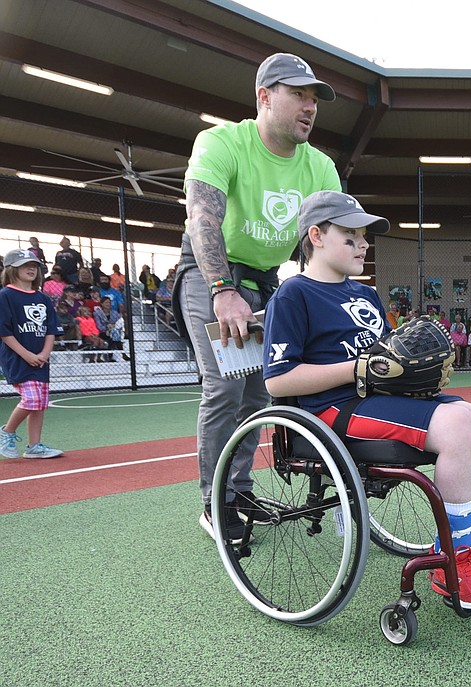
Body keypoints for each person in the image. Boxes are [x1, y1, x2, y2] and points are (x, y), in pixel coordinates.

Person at [262, 191, 471, 609]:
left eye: (364, 237)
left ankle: (458, 546)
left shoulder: (366, 294)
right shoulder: (293, 295)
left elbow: (384, 360)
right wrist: (357, 369)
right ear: (317, 236)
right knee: (457, 426)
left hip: (374, 400)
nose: (363, 245)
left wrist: (410, 374)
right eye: (351, 236)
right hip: (332, 409)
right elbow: (279, 381)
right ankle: (451, 562)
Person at [176, 52, 343, 543]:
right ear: (264, 97)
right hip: (212, 271)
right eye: (299, 95)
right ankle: (214, 502)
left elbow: (330, 241)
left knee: (260, 391)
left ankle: (239, 488)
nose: (310, 107)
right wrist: (223, 290)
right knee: (225, 387)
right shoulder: (222, 142)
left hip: (266, 279)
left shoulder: (321, 167)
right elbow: (203, 219)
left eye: (315, 100)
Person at [0, 248, 64, 459]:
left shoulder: (43, 299)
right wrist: (26, 354)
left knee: (40, 403)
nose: (31, 269)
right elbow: (4, 332)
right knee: (33, 398)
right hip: (18, 358)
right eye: (24, 265)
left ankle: (34, 446)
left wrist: (45, 353)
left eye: (34, 265)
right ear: (11, 269)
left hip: (40, 359)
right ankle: (7, 431)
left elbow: (50, 330)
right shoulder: (5, 296)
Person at [93, 296, 128, 362]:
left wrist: (113, 327)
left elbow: (119, 323)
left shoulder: (115, 313)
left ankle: (111, 357)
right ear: (102, 304)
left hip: (113, 331)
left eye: (109, 302)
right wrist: (107, 328)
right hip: (102, 332)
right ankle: (122, 354)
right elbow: (99, 326)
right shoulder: (97, 313)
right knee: (114, 336)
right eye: (106, 302)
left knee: (114, 334)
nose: (108, 304)